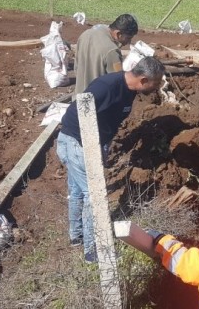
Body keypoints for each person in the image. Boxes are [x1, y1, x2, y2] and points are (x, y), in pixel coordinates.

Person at [57, 56, 165, 262]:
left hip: (91, 143)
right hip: (76, 142)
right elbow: (78, 113)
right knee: (93, 194)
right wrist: (89, 147)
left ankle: (76, 236)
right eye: (156, 83)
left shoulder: (131, 90)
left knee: (79, 190)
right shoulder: (106, 87)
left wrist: (103, 144)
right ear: (143, 80)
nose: (158, 87)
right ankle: (91, 250)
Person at [73, 13, 138, 95]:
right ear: (118, 34)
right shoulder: (112, 51)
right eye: (128, 38)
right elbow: (117, 82)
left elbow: (76, 67)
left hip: (79, 96)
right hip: (97, 101)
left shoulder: (86, 34)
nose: (128, 42)